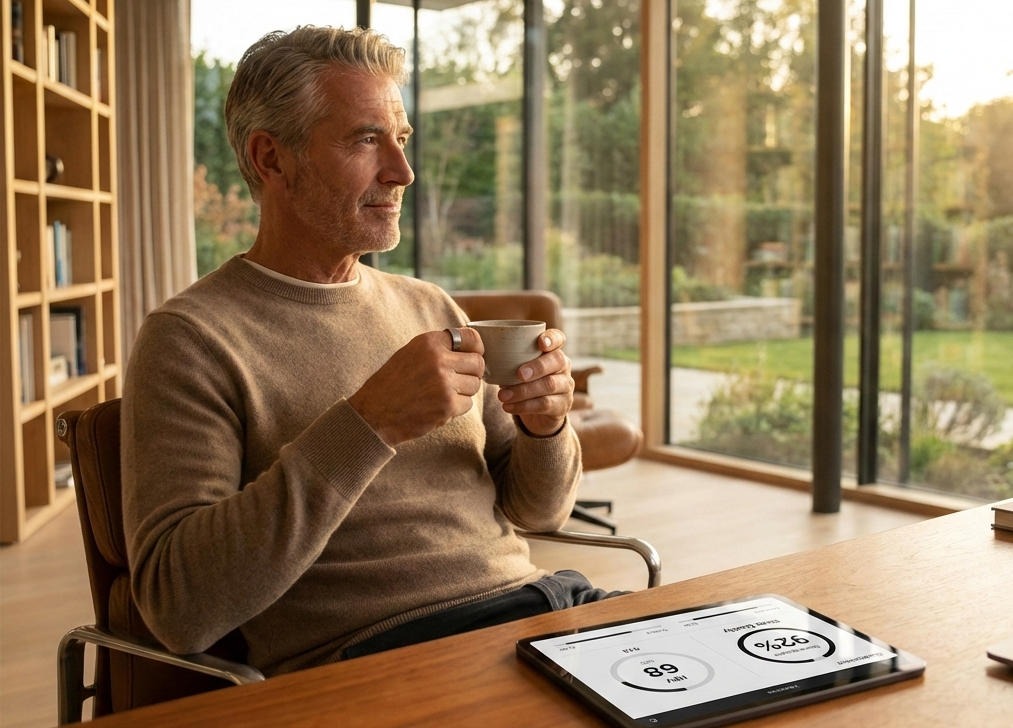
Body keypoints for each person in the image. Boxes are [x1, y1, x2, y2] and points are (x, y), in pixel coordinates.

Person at [121, 25, 619, 678]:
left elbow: (538, 511)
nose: (402, 172)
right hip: (383, 658)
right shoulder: (191, 338)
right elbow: (179, 606)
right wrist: (369, 422)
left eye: (402, 141)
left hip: (542, 608)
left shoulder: (429, 305)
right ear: (271, 159)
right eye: (365, 139)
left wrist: (543, 425)